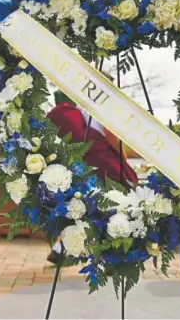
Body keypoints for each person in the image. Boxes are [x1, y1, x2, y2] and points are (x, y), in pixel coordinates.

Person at [46, 90, 138, 264]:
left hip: (84, 167)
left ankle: (60, 248)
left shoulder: (78, 110)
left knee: (79, 209)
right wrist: (125, 163)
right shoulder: (104, 110)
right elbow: (114, 142)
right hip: (107, 168)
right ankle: (112, 253)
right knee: (113, 210)